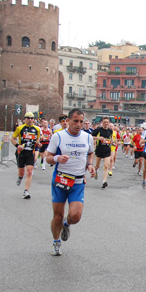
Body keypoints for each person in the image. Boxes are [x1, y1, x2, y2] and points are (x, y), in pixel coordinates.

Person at [45, 109, 96, 256]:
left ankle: (66, 225)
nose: (79, 124)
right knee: (58, 216)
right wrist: (57, 159)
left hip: (78, 182)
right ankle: (56, 241)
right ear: (68, 120)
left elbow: (91, 152)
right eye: (75, 121)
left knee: (75, 216)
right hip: (61, 180)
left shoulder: (87, 137)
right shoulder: (58, 136)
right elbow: (48, 157)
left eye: (81, 121)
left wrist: (90, 164)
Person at [11, 112, 42, 199]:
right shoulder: (20, 128)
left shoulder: (37, 129)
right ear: (25, 119)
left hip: (30, 153)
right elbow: (12, 139)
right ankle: (20, 177)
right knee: (21, 172)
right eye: (28, 118)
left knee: (29, 171)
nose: (30, 120)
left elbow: (37, 140)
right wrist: (18, 146)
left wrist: (38, 144)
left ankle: (26, 191)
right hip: (21, 153)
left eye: (32, 118)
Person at [91, 117, 113, 189]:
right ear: (102, 123)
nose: (106, 123)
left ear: (109, 123)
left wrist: (113, 143)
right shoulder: (98, 130)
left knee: (106, 165)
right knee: (97, 165)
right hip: (99, 149)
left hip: (107, 150)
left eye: (107, 122)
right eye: (104, 122)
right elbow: (91, 136)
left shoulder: (110, 131)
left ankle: (104, 181)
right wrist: (99, 138)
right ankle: (96, 171)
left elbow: (111, 139)